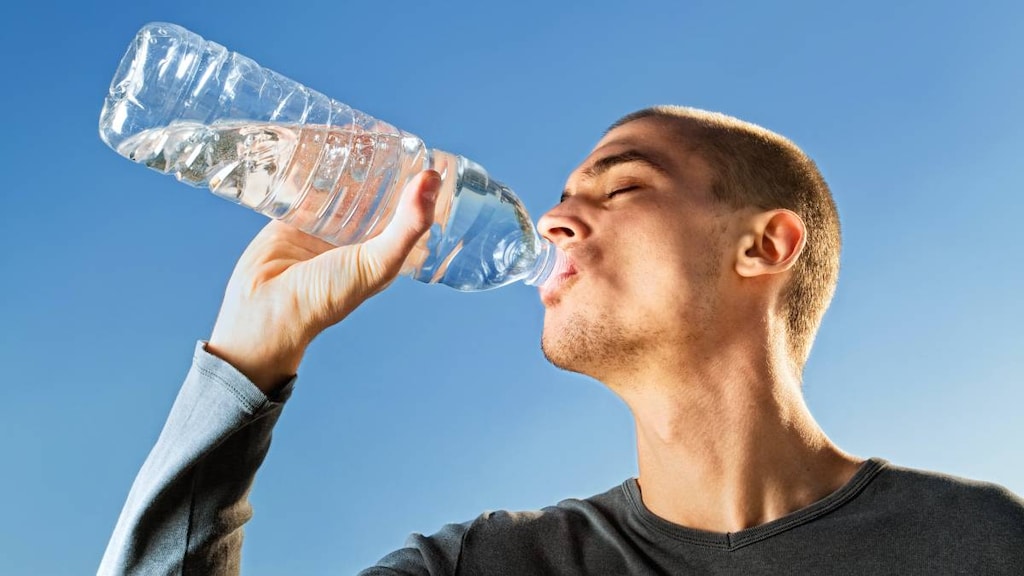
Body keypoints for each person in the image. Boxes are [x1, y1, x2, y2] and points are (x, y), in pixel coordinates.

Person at [98, 106, 1024, 575]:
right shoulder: (491, 568)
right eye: (564, 198)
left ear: (764, 245)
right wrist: (243, 362)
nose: (553, 220)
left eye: (620, 188)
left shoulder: (981, 542)